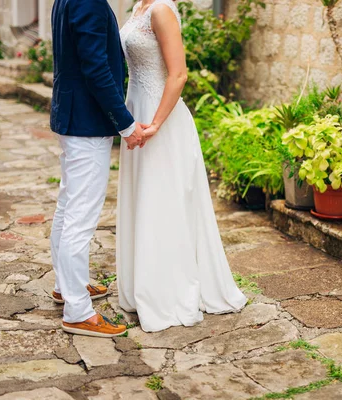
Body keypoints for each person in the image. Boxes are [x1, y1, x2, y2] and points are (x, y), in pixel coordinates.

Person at [116, 0, 247, 332]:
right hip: (136, 110)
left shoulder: (160, 9)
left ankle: (167, 292)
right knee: (144, 201)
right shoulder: (137, 7)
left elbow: (178, 74)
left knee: (163, 202)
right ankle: (143, 283)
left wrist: (156, 123)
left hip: (161, 118)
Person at [49, 0, 149, 337]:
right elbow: (95, 67)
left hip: (72, 114)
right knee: (80, 216)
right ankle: (77, 311)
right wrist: (125, 123)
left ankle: (67, 287)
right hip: (87, 123)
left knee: (67, 207)